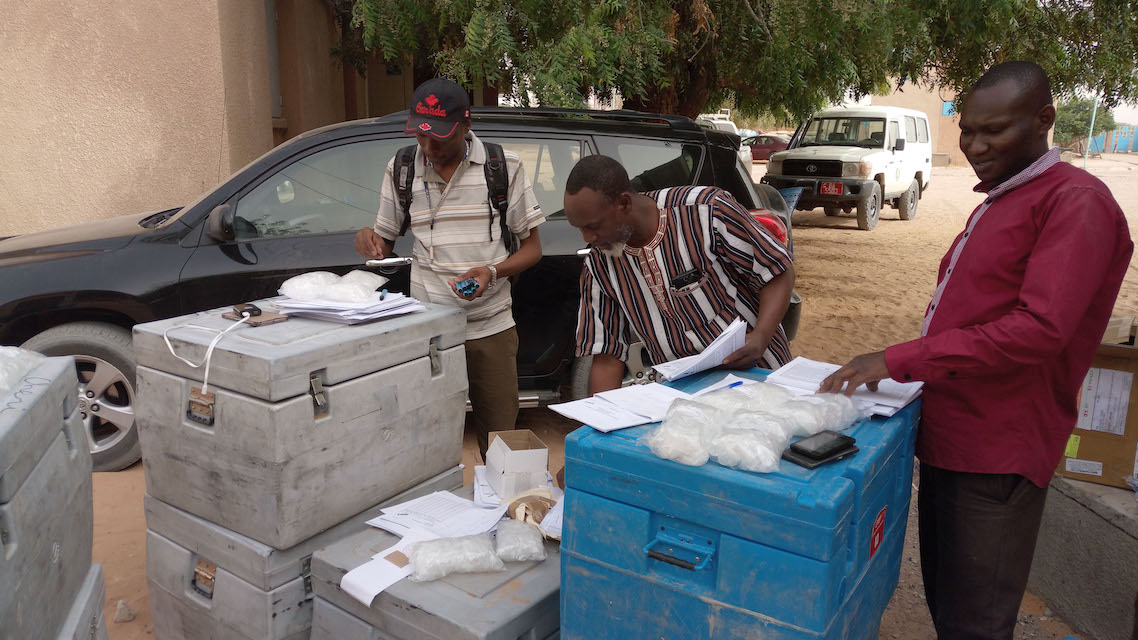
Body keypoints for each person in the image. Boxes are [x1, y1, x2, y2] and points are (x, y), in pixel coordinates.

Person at [819, 61, 1133, 639]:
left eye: (995, 131)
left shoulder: (1074, 202)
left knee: (976, 621)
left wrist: (900, 358)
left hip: (998, 449)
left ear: (1043, 121)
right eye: (968, 131)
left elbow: (1040, 328)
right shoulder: (1005, 196)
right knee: (948, 602)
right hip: (953, 434)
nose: (974, 146)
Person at [354, 78, 546, 460]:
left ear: (466, 124)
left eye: (439, 137)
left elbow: (533, 249)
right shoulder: (403, 167)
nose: (429, 147)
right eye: (421, 137)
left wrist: (492, 272)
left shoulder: (503, 166)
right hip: (429, 332)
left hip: (490, 328)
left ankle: (498, 513)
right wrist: (369, 240)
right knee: (427, 437)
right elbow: (385, 242)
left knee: (500, 444)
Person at [565, 154, 795, 395]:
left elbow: (777, 270)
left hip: (761, 377)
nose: (587, 238)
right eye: (579, 228)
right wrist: (603, 419)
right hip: (690, 398)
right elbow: (607, 354)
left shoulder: (707, 211)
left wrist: (760, 336)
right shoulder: (599, 265)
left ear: (623, 203)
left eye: (593, 226)